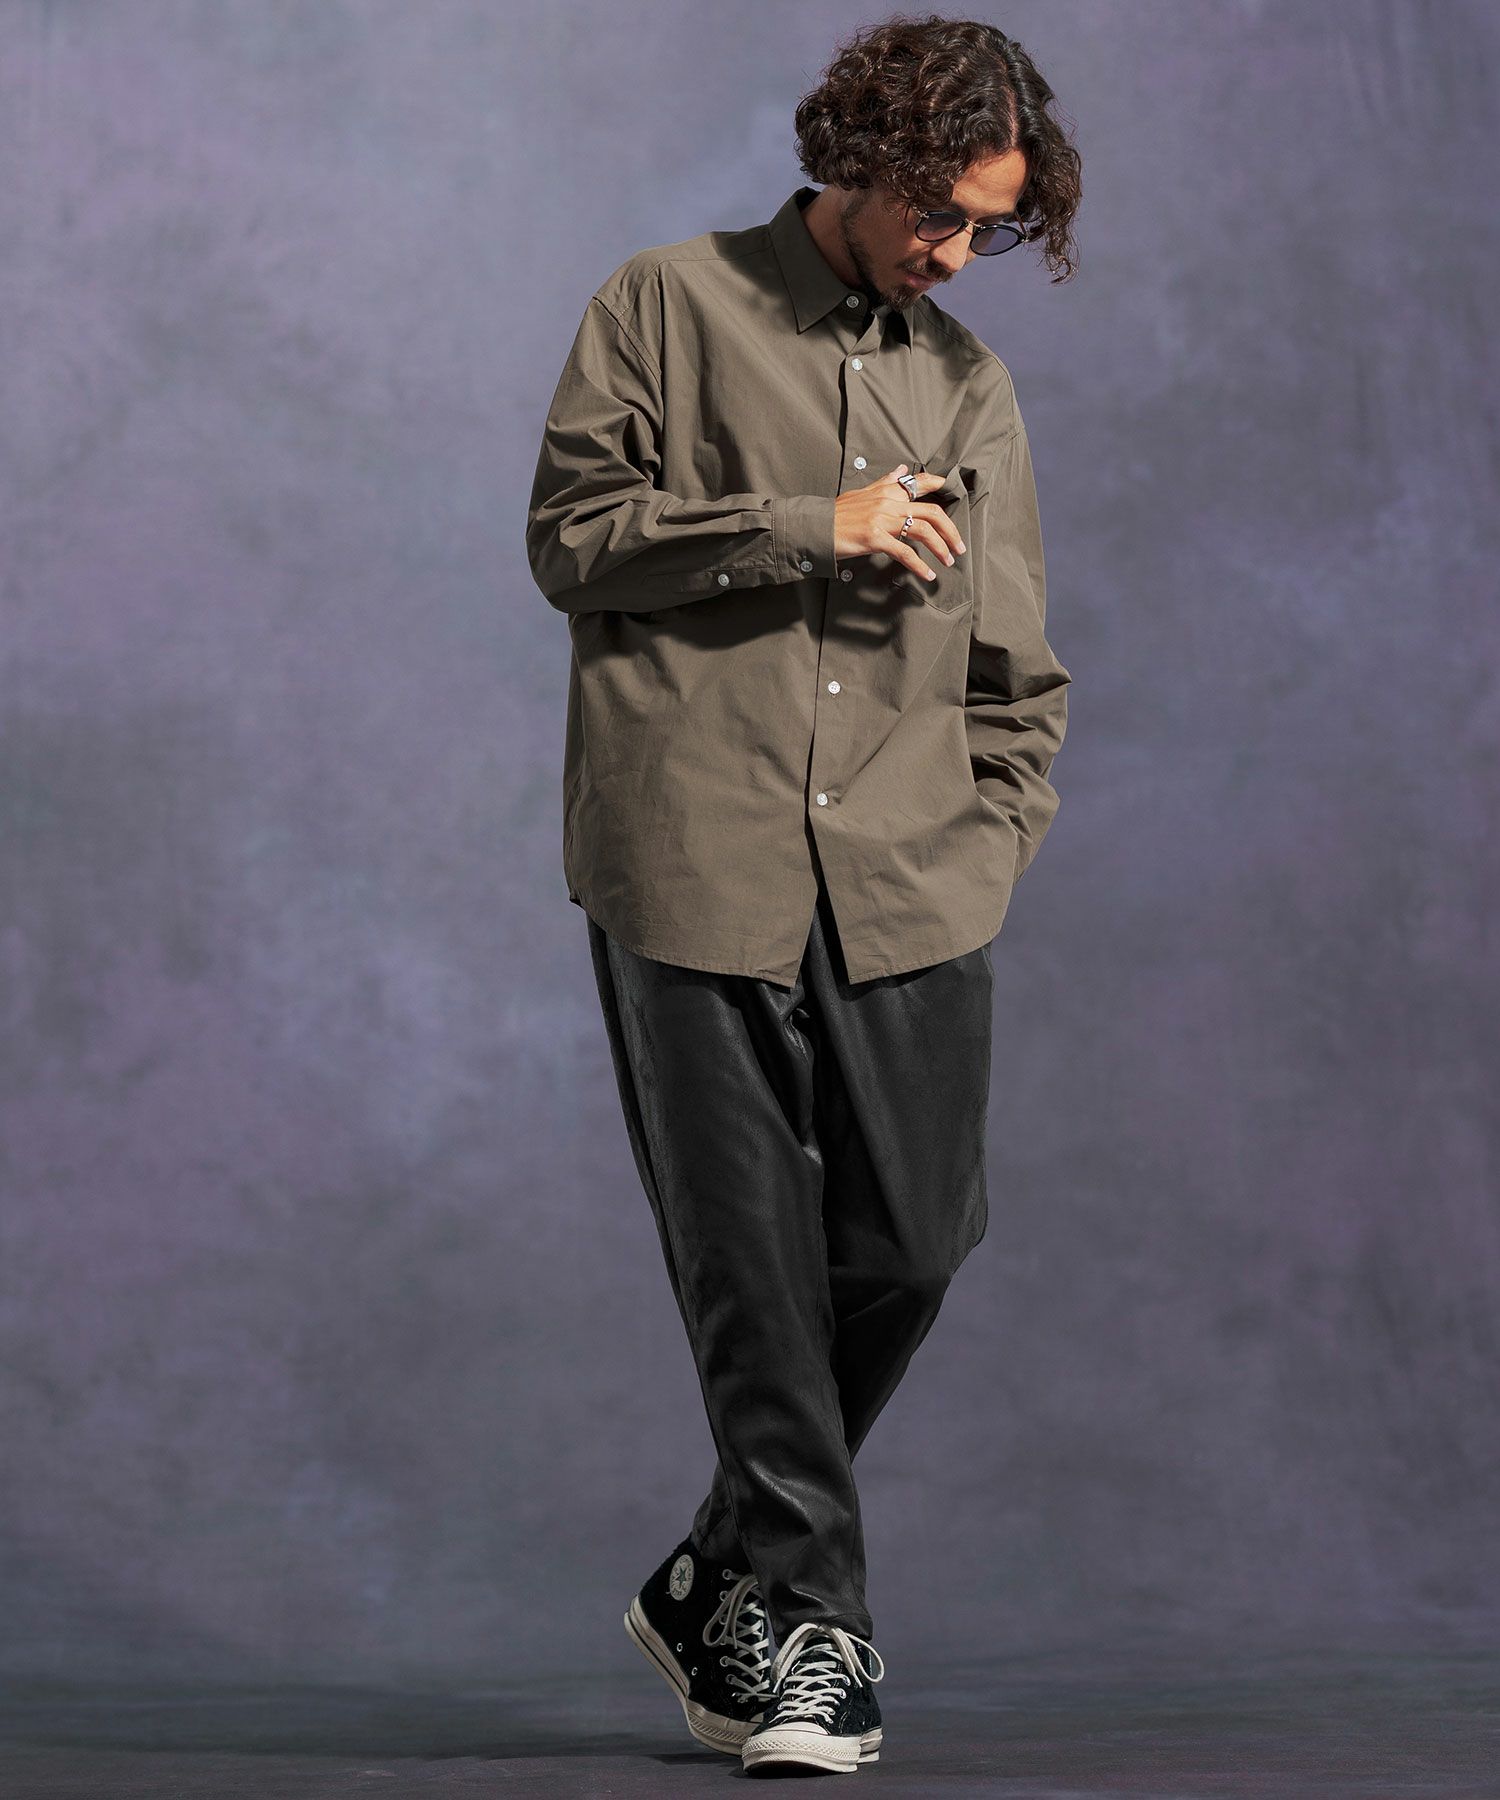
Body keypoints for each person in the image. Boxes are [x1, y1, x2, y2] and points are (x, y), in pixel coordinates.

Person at [525, 13, 1081, 1777]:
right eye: (939, 212)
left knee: (914, 1242)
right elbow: (571, 541)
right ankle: (818, 1640)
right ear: (859, 157)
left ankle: (720, 1570)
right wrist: (806, 524)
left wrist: (987, 844)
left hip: (912, 882)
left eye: (990, 228)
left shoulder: (968, 385)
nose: (955, 253)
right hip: (692, 860)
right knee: (751, 1266)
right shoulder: (664, 305)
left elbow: (1015, 678)